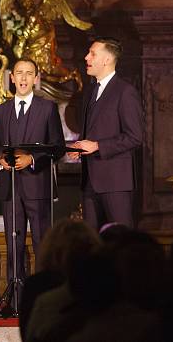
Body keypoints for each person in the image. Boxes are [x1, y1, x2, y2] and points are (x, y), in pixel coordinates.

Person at [0, 58, 66, 313]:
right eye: (19, 73)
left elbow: (57, 147)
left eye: (28, 73)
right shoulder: (1, 111)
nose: (23, 78)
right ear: (11, 77)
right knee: (14, 243)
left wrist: (32, 159)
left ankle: (44, 299)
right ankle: (17, 300)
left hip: (38, 186)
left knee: (42, 243)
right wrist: (1, 161)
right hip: (10, 188)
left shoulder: (47, 108)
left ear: (36, 78)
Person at [68, 37, 143, 229]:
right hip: (90, 182)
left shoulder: (125, 92)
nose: (86, 57)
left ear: (107, 60)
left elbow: (135, 136)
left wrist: (97, 146)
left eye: (92, 53)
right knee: (92, 242)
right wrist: (80, 147)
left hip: (116, 182)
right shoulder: (90, 91)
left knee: (122, 241)